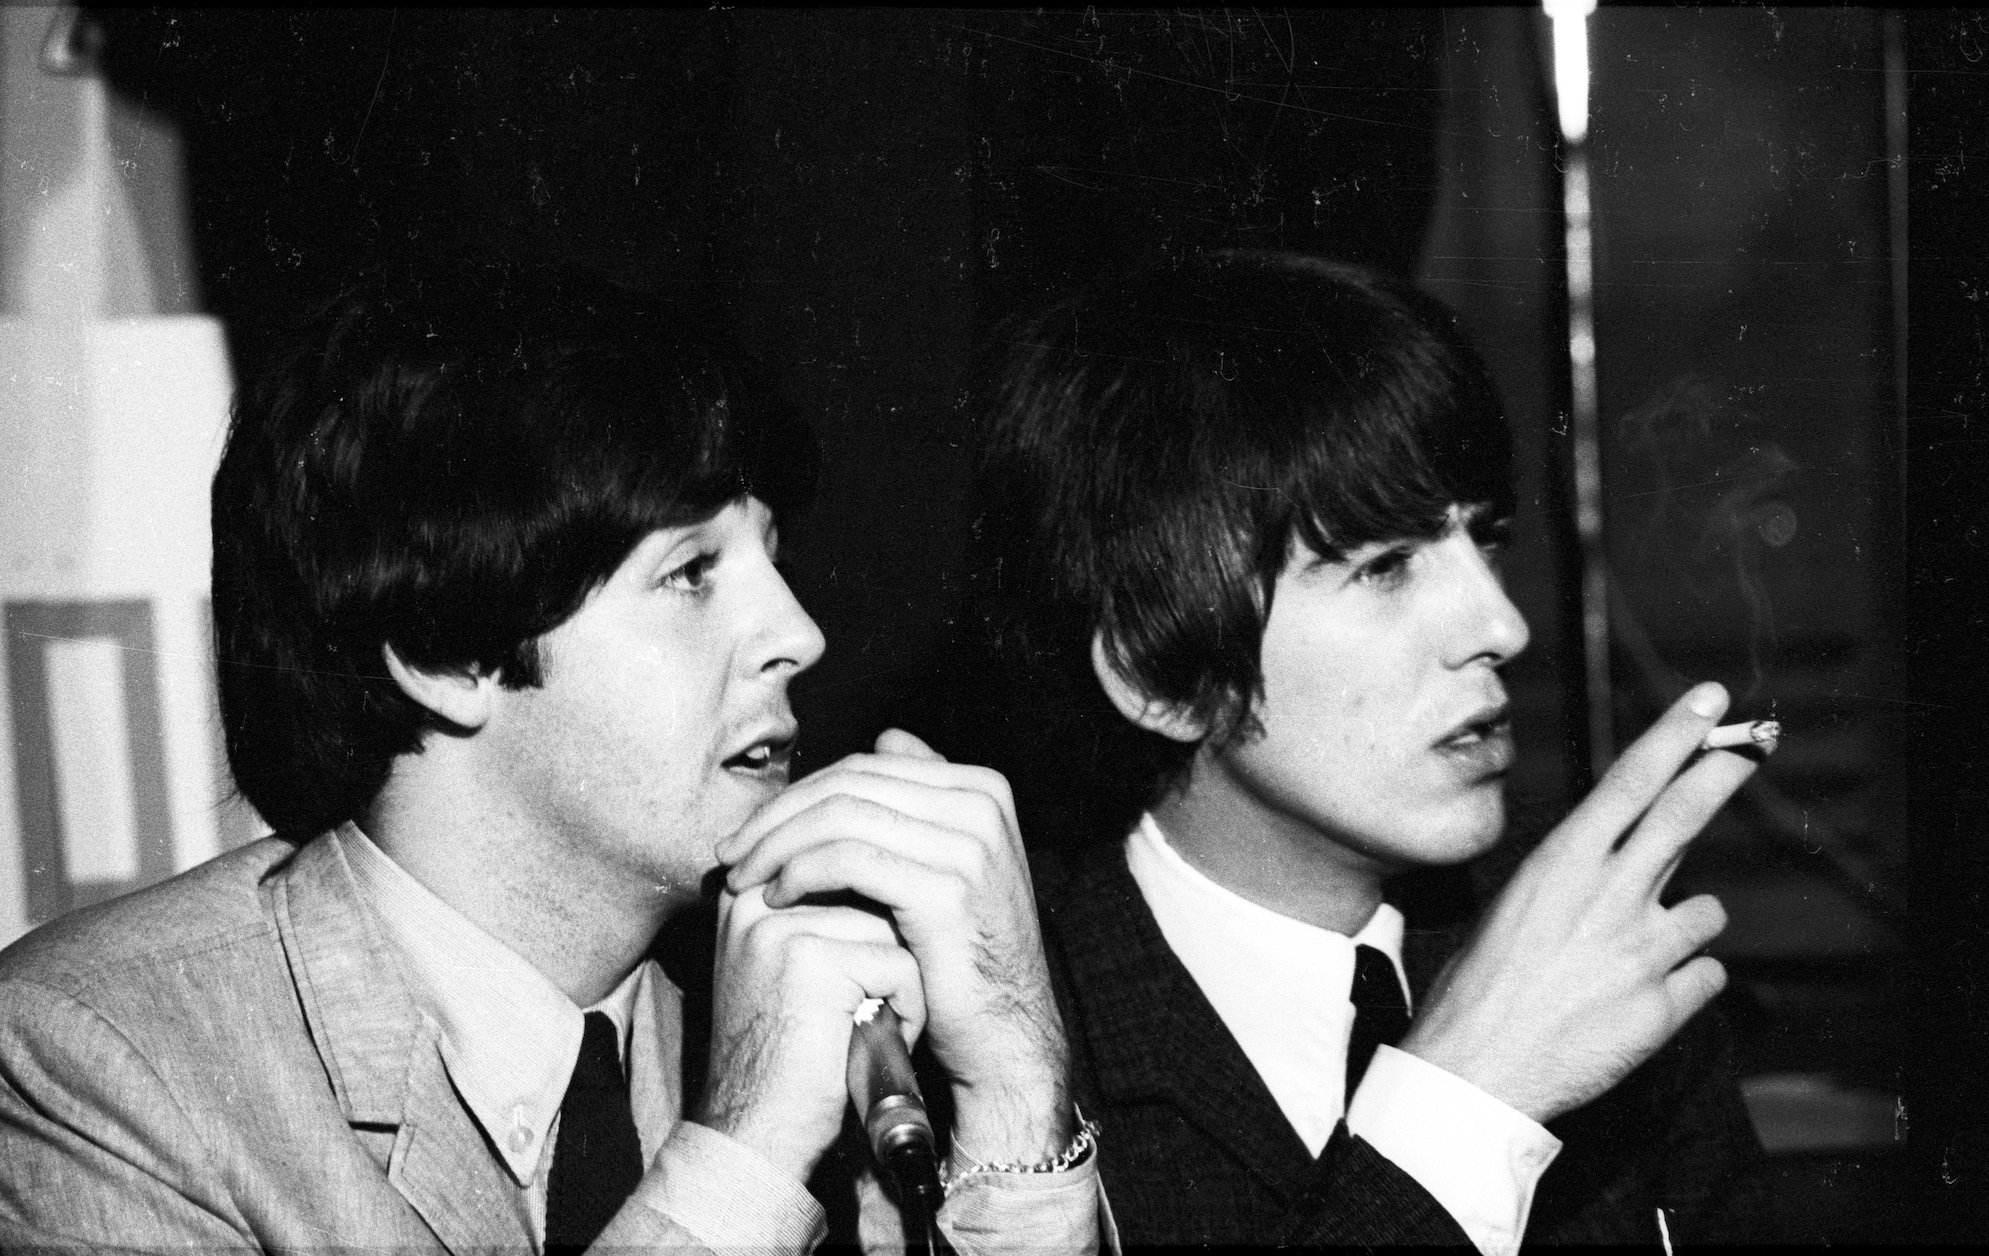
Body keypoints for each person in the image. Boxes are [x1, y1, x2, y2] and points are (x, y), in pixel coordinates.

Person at [0, 263, 1099, 1254]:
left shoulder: (841, 1004)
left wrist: (1012, 1091)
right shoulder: (102, 1060)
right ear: (447, 651)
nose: (799, 633)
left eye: (774, 555)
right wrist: (747, 1157)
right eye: (690, 573)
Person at [969, 250, 1767, 1250]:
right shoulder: (1004, 1043)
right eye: (1386, 564)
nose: (1500, 622)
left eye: (1485, 537)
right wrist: (1466, 1099)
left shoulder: (1584, 943)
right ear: (1162, 677)